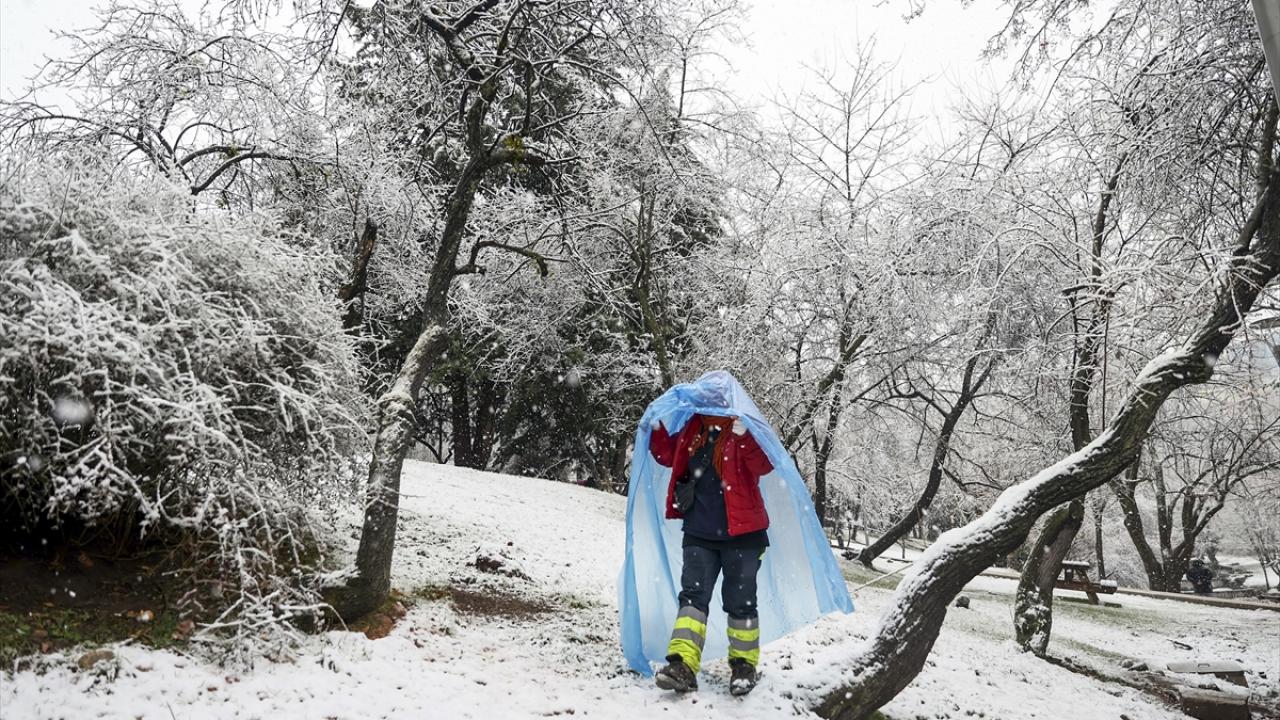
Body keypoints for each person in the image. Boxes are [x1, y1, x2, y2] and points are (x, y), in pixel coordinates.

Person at [646, 412, 773, 696]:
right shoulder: (695, 428)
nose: (712, 402)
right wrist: (657, 429)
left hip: (744, 536)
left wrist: (745, 437)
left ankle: (744, 667)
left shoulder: (743, 425)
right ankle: (683, 666)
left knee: (741, 603)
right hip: (698, 532)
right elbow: (668, 456)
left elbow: (764, 465)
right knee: (693, 599)